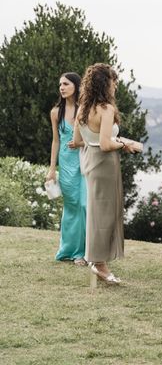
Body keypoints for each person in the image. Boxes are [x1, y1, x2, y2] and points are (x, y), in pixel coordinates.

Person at [73, 63, 137, 284]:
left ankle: (97, 261)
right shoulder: (106, 109)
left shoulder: (82, 108)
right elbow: (105, 144)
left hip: (90, 163)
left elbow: (77, 141)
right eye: (113, 81)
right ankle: (99, 263)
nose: (116, 86)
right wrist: (124, 143)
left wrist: (110, 141)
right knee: (104, 216)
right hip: (105, 164)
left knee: (96, 213)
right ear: (105, 83)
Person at [47, 72, 87, 265]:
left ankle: (84, 251)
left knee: (84, 205)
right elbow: (55, 141)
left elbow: (93, 138)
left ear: (76, 86)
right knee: (71, 207)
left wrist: (79, 143)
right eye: (60, 84)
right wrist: (52, 169)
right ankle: (69, 251)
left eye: (66, 84)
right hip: (66, 165)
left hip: (84, 162)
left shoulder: (85, 110)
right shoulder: (56, 112)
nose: (61, 87)